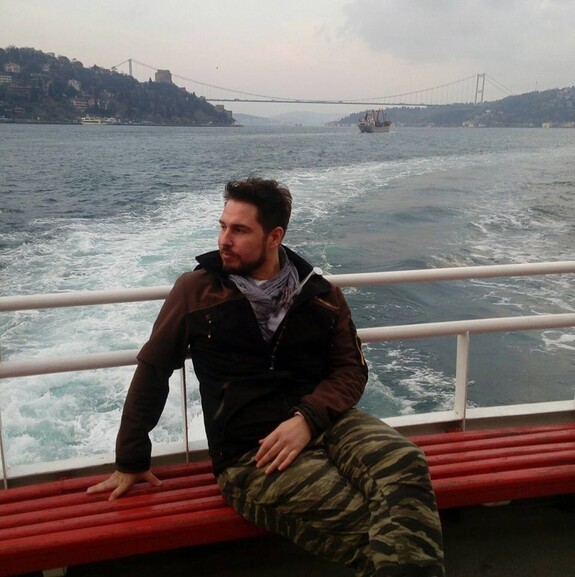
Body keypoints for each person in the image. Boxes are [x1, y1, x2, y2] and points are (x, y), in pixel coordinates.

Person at [88, 177, 445, 577]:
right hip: (249, 452)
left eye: (239, 230)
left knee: (406, 462)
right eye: (223, 226)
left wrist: (307, 419)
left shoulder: (321, 295)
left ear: (274, 236)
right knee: (371, 523)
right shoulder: (196, 291)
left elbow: (351, 370)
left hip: (327, 422)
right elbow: (154, 369)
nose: (224, 240)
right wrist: (131, 458)